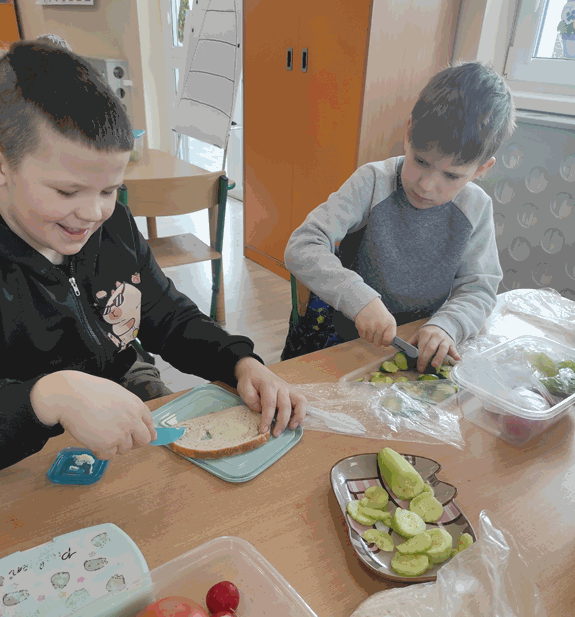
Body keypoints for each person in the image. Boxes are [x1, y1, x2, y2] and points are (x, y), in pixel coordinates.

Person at [0, 41, 305, 470]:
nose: (93, 214)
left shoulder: (114, 227)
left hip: (126, 381)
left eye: (109, 190)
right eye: (67, 192)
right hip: (26, 435)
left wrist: (239, 361)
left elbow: (167, 315)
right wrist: (49, 397)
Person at [283, 60, 515, 373]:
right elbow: (302, 245)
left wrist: (448, 325)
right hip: (345, 340)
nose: (427, 186)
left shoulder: (476, 208)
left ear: (481, 169)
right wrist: (359, 299)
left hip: (415, 345)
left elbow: (479, 288)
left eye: (451, 175)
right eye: (421, 161)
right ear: (408, 133)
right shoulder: (372, 182)